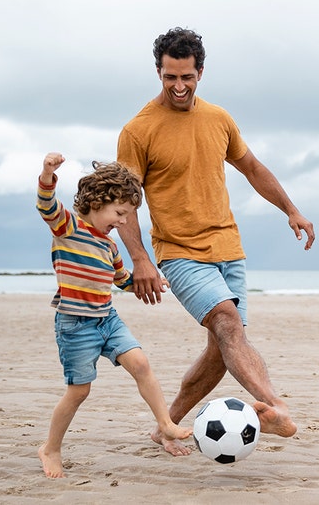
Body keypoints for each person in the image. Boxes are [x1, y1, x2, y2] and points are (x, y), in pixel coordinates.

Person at [116, 27, 315, 456]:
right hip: (178, 251)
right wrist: (140, 259)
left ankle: (165, 426)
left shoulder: (219, 119)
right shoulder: (138, 130)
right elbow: (125, 202)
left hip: (228, 248)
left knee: (221, 348)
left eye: (186, 76)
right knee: (228, 322)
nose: (179, 86)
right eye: (170, 77)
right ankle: (275, 406)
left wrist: (291, 210)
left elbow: (253, 167)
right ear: (158, 72)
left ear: (200, 72)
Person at [35, 153, 193, 478]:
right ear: (96, 201)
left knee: (141, 364)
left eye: (128, 215)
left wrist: (149, 282)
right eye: (120, 213)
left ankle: (165, 424)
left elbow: (123, 280)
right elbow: (46, 204)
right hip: (76, 325)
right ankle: (50, 448)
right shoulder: (69, 227)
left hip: (108, 319)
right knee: (79, 391)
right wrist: (48, 174)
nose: (123, 221)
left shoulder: (109, 246)